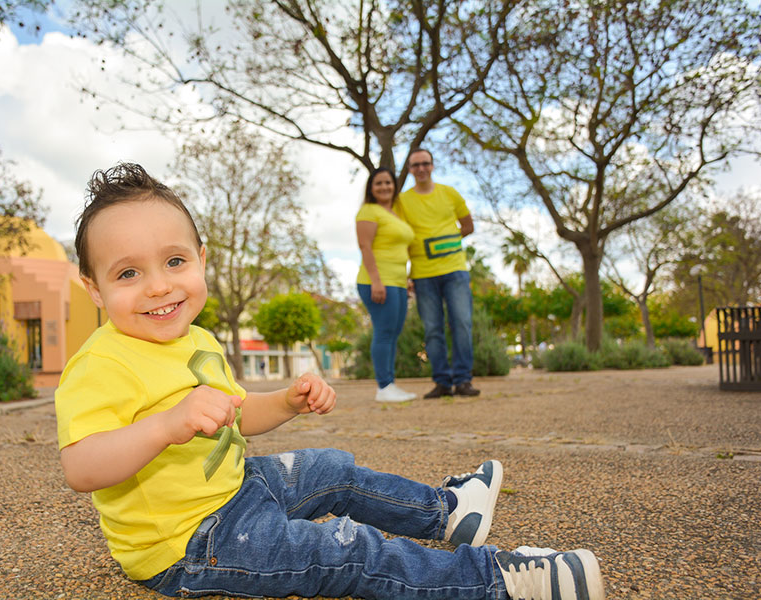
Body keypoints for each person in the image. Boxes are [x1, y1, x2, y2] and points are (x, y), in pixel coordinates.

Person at [55, 162, 605, 600]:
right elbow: (82, 466)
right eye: (128, 272)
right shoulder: (101, 364)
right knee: (345, 548)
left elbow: (235, 415)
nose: (158, 286)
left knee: (332, 468)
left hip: (239, 489)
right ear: (94, 288)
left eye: (174, 261)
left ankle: (448, 511)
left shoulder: (196, 339)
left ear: (201, 259)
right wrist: (164, 426)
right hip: (191, 543)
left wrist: (287, 402)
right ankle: (498, 581)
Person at [397, 148, 480, 399]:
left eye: (425, 163)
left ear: (432, 166)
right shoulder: (402, 201)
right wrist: (406, 274)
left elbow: (468, 226)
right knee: (432, 329)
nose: (421, 169)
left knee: (461, 324)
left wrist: (447, 243)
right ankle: (442, 382)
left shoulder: (450, 193)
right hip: (422, 275)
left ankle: (463, 380)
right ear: (410, 169)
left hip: (455, 271)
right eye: (415, 165)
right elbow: (401, 237)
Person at [356, 167, 416, 403]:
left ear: (394, 186)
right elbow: (365, 246)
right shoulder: (368, 211)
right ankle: (384, 387)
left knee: (393, 333)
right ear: (371, 188)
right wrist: (376, 281)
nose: (384, 187)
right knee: (384, 332)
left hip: (397, 283)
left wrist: (406, 279)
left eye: (388, 182)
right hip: (378, 282)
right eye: (378, 183)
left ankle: (390, 384)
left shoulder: (395, 214)